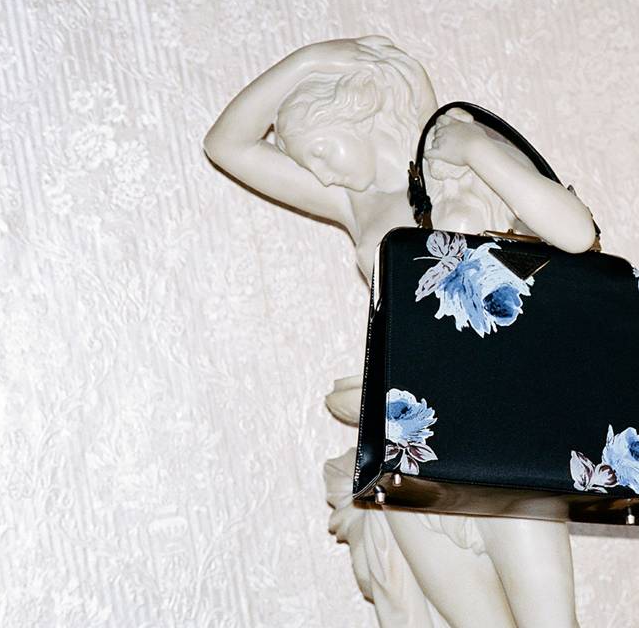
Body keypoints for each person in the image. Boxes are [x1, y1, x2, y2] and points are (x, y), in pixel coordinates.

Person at [204, 35, 596, 628]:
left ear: (360, 110)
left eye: (320, 150)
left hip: (503, 423)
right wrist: (312, 59)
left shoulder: (459, 155)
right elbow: (226, 144)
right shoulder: (355, 202)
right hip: (412, 437)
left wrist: (475, 148)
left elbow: (576, 233)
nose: (318, 170)